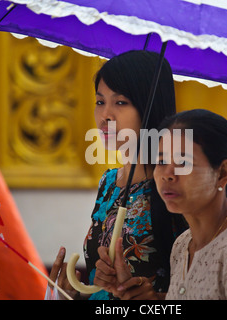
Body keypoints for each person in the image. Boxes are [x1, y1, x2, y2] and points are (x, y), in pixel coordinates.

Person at [96, 109, 227, 300]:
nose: (167, 174)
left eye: (183, 162)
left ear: (222, 173)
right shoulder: (183, 245)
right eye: (161, 161)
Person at [46, 50, 187, 300]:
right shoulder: (109, 182)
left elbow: (199, 284)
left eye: (120, 102)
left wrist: (155, 300)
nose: (105, 115)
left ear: (148, 106)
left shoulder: (176, 184)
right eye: (100, 101)